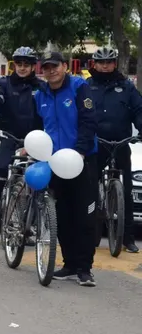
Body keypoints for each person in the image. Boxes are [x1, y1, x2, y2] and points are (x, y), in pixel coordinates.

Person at [35, 51, 98, 286]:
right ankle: (69, 263)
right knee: (61, 215)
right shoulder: (39, 94)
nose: (51, 71)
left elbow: (88, 121)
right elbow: (38, 126)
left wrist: (80, 151)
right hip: (55, 162)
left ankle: (84, 268)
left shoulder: (79, 87)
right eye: (47, 67)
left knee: (84, 216)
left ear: (64, 66)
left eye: (55, 66)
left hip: (82, 160)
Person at [86, 47, 142, 253]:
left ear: (114, 63)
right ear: (95, 64)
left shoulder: (126, 87)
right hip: (95, 144)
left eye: (109, 62)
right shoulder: (87, 86)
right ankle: (91, 235)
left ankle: (127, 239)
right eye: (101, 62)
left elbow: (139, 110)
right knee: (90, 189)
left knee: (125, 189)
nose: (105, 65)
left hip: (121, 143)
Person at [0, 46, 43, 225]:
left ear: (33, 67)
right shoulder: (3, 84)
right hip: (8, 135)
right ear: (14, 65)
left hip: (35, 138)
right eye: (19, 64)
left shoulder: (42, 87)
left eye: (26, 64)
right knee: (1, 168)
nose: (22, 67)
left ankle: (32, 221)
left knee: (38, 176)